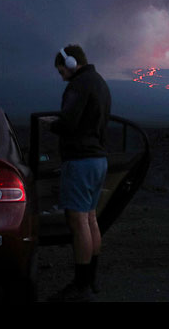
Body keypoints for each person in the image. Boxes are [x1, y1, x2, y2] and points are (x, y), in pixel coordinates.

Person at [44, 44, 111, 302]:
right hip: (99, 160)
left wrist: (53, 125)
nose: (61, 75)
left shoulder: (79, 85)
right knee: (91, 218)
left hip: (81, 161)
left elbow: (69, 122)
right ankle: (90, 280)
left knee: (78, 220)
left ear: (71, 63)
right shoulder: (100, 83)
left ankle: (80, 285)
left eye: (61, 70)